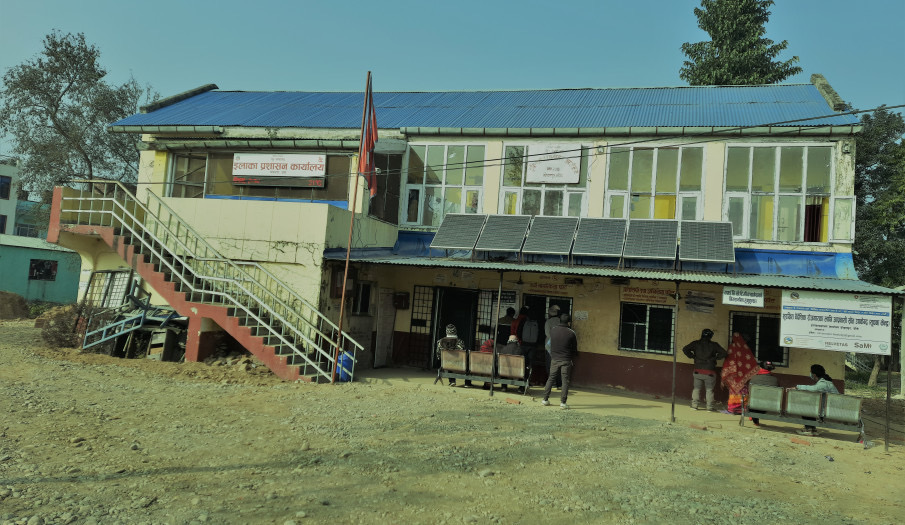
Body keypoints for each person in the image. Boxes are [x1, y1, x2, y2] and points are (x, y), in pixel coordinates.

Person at [682, 328, 728, 412]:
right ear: (710, 336)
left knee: (696, 389)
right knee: (709, 390)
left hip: (697, 370)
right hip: (710, 371)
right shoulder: (714, 345)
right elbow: (724, 353)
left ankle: (694, 406)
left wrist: (693, 356)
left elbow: (685, 349)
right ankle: (709, 408)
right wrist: (715, 358)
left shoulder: (695, 343)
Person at [789, 364, 839, 436]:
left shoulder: (824, 383)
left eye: (810, 372)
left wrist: (798, 387)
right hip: (829, 408)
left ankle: (809, 429)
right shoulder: (825, 382)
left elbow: (814, 389)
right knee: (809, 405)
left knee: (805, 406)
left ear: (814, 374)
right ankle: (812, 428)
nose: (810, 374)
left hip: (830, 410)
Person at [541, 313, 577, 409]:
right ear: (569, 322)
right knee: (565, 381)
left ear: (560, 321)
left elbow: (549, 344)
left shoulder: (553, 330)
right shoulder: (571, 333)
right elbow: (574, 349)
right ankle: (563, 403)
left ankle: (545, 399)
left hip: (554, 359)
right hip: (566, 360)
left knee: (551, 378)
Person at [720, 332, 759, 414]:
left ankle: (732, 409)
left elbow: (729, 360)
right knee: (743, 391)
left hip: (733, 376)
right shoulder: (745, 348)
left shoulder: (732, 347)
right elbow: (750, 361)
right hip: (743, 375)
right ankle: (743, 409)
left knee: (733, 392)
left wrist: (727, 372)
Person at [747, 361, 778, 426]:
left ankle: (755, 420)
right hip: (770, 406)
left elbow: (749, 392)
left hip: (754, 406)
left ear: (761, 368)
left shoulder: (754, 378)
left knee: (753, 401)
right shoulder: (775, 380)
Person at [543, 305, 562, 389]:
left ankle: (552, 383)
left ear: (550, 314)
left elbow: (547, 333)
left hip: (550, 347)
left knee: (550, 365)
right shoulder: (561, 321)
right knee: (558, 365)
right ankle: (559, 384)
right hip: (560, 347)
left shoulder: (548, 322)